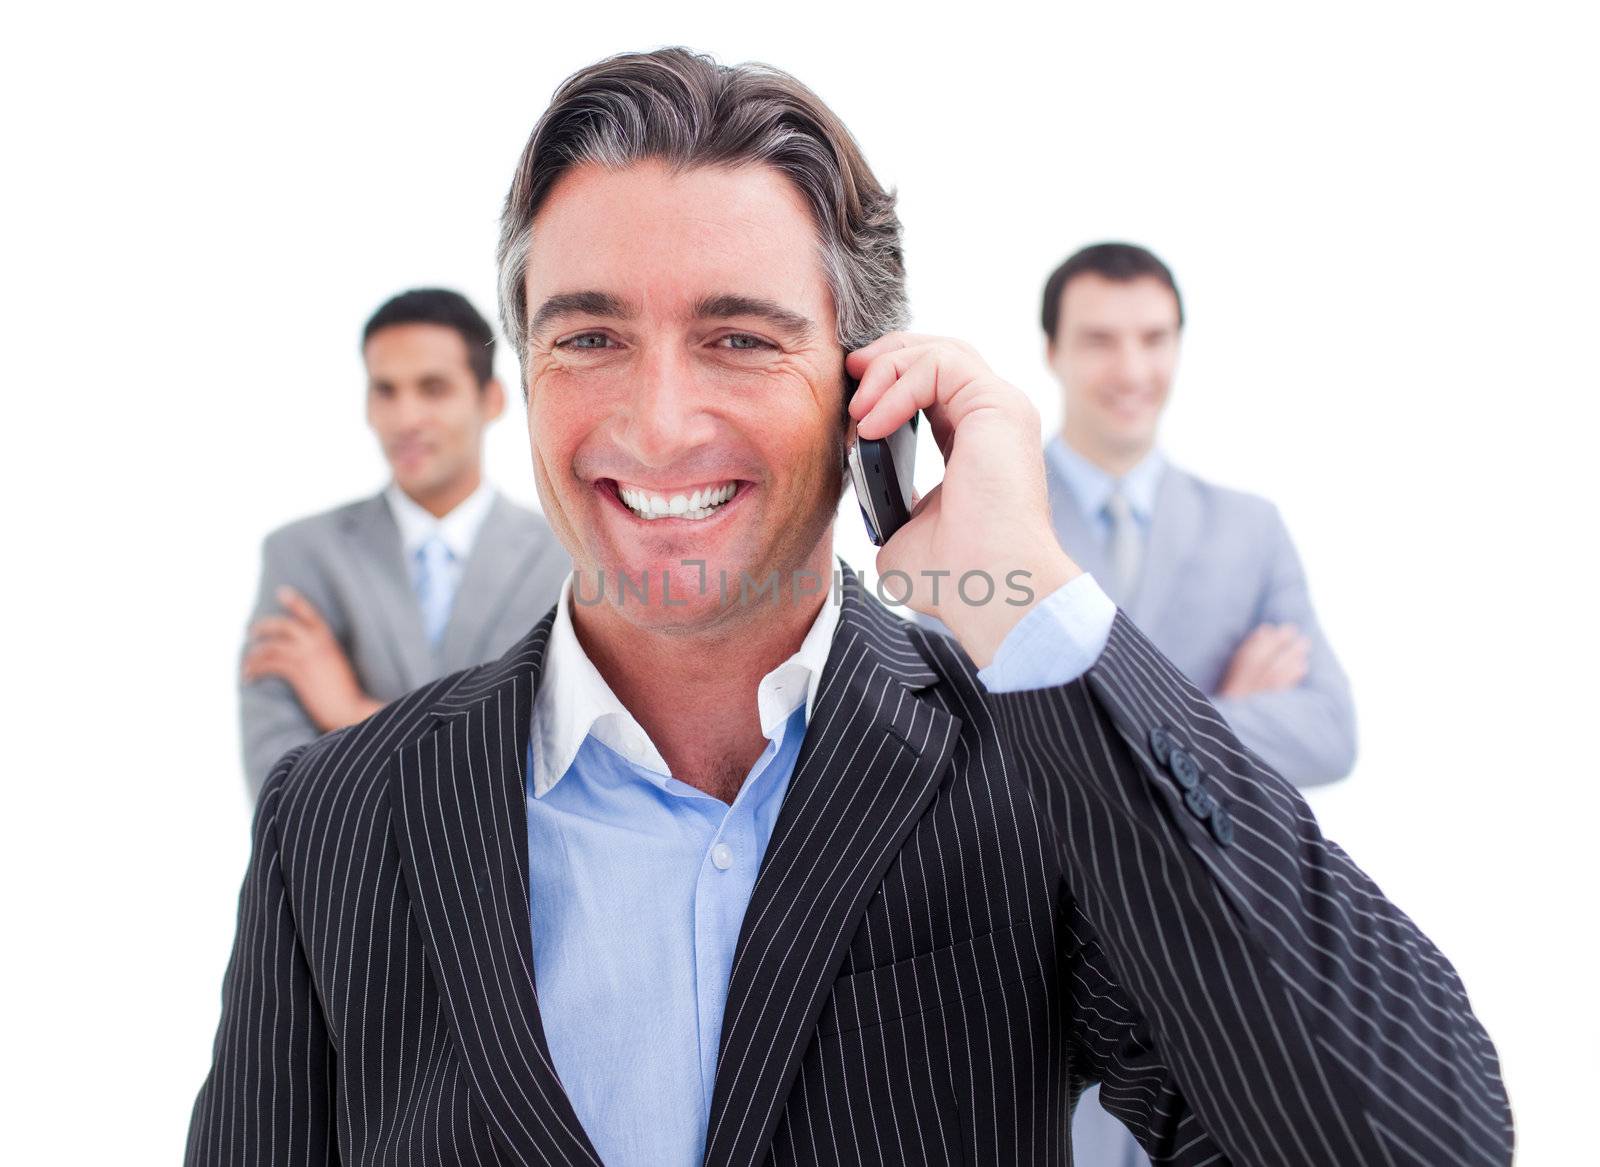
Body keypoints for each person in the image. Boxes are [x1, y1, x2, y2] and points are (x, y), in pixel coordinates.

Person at [189, 49, 1512, 1166]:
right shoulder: (337, 822)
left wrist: (1018, 593)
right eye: (588, 335)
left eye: (741, 337)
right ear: (524, 371)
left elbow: (1419, 1138)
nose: (656, 422)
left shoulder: (1020, 777)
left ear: (869, 386)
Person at [1039, 244, 1361, 1165]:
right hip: (1043, 947)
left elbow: (1331, 728)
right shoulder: (997, 518)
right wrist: (1214, 710)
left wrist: (1113, 720)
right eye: (1101, 339)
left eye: (1154, 339)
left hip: (1217, 964)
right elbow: (976, 728)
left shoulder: (1247, 528)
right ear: (1054, 351)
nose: (1132, 369)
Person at [237, 288, 569, 796]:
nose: (404, 418)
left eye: (432, 389)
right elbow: (278, 787)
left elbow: (560, 769)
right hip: (343, 875)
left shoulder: (565, 558)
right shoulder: (301, 555)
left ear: (493, 400)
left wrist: (352, 711)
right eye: (385, 390)